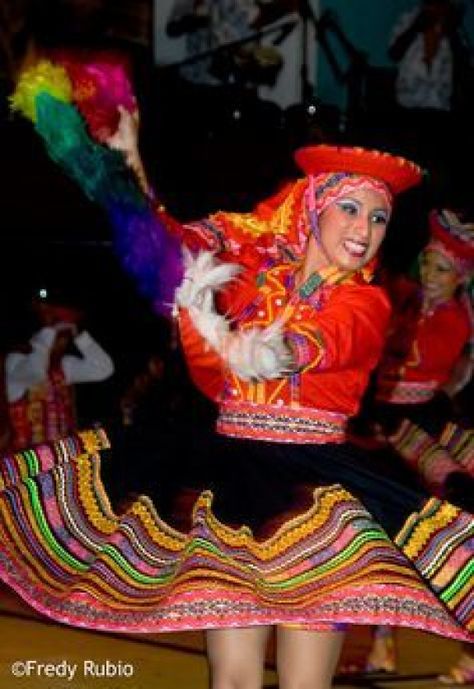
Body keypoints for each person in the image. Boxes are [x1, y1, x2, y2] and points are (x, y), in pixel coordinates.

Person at [3, 59, 474, 689]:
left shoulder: (366, 301)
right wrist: (128, 165)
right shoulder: (253, 280)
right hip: (232, 483)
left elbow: (323, 342)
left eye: (378, 217)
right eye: (351, 211)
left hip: (314, 500)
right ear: (313, 210)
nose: (364, 230)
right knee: (232, 680)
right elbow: (169, 258)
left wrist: (266, 353)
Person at [5, 290, 114, 449]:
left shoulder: (63, 366)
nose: (62, 344)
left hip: (60, 465)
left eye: (65, 338)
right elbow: (36, 372)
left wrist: (80, 337)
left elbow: (104, 369)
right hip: (25, 466)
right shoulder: (14, 362)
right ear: (40, 335)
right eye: (58, 337)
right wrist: (50, 330)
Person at [388, 0, 472, 167]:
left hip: (440, 108)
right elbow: (394, 53)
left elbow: (464, 68)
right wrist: (415, 27)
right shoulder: (408, 20)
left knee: (437, 165)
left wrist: (452, 32)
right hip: (409, 106)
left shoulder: (453, 29)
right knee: (409, 164)